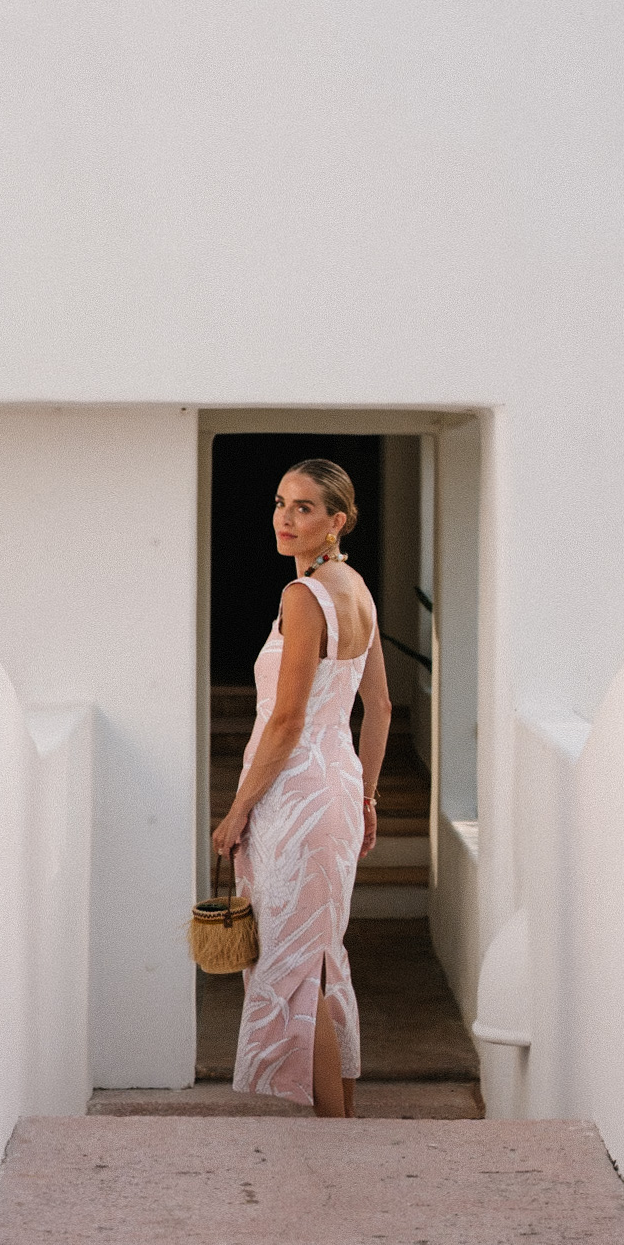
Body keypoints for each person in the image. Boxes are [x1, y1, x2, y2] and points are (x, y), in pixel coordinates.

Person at [211, 459, 392, 1118]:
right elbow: (380, 707)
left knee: (292, 965)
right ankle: (338, 1116)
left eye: (305, 507)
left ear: (336, 521)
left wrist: (237, 811)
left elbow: (286, 721)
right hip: (337, 786)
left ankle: (332, 1127)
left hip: (294, 795)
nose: (286, 519)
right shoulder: (359, 591)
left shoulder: (303, 595)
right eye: (281, 503)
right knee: (320, 956)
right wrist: (367, 797)